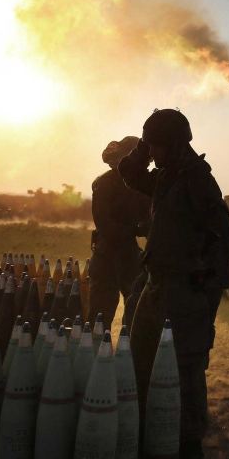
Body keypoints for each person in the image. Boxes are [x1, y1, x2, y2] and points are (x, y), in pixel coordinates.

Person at [119, 108, 229, 459]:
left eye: (155, 146)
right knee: (140, 361)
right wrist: (142, 145)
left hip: (184, 293)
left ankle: (187, 447)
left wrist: (206, 294)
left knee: (185, 371)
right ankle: (145, 437)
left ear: (173, 144)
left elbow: (223, 241)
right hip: (155, 287)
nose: (151, 153)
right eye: (149, 146)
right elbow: (130, 174)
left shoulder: (197, 181)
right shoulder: (168, 176)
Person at [88, 136, 149, 328]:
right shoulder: (105, 183)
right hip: (109, 255)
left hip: (127, 254)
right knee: (100, 314)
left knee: (135, 313)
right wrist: (137, 229)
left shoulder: (141, 184)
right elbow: (105, 224)